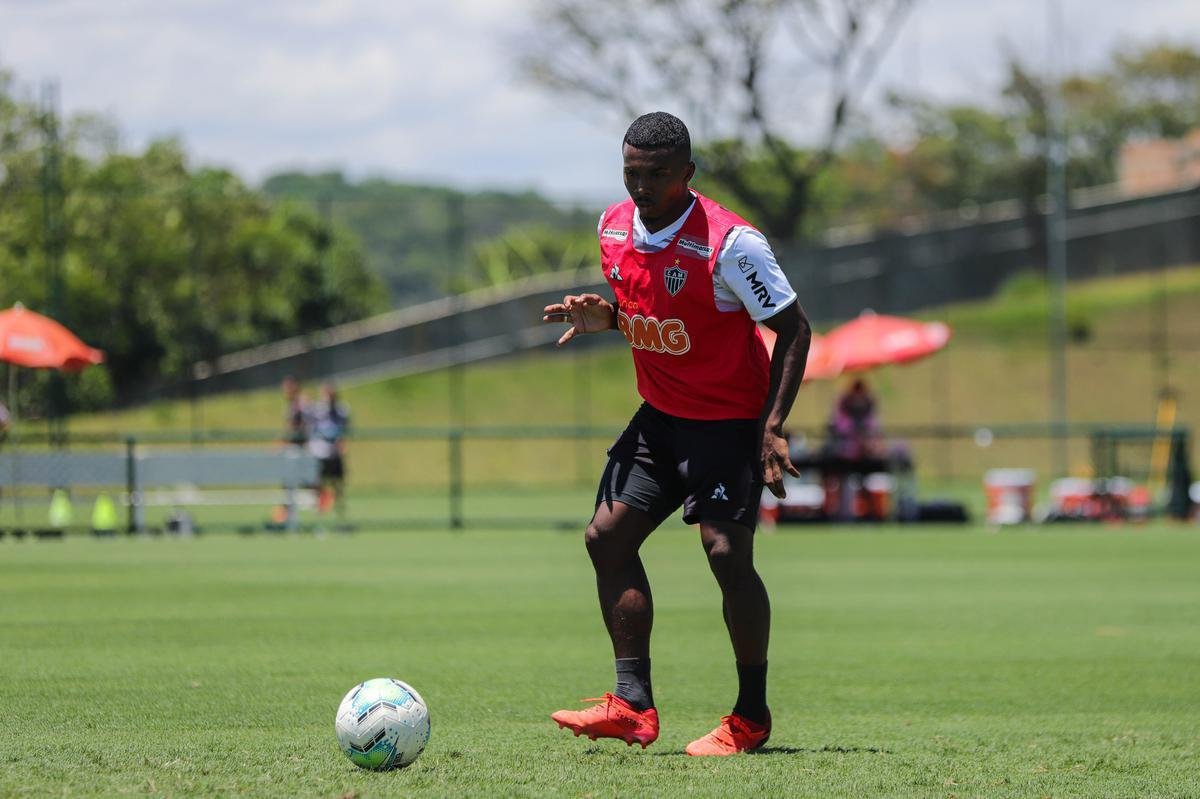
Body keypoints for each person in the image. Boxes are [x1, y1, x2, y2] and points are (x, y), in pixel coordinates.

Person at [543, 112, 811, 756]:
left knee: (725, 554)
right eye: (631, 173)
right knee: (605, 538)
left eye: (657, 175)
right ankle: (633, 704)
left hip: (727, 422)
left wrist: (771, 427)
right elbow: (651, 313)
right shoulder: (611, 226)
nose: (641, 187)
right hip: (661, 417)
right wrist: (605, 319)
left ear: (687, 174)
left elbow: (794, 330)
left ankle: (751, 717)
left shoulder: (730, 243)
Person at [308, 381, 350, 520]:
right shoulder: (316, 409)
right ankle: (319, 513)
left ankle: (340, 515)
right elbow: (311, 429)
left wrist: (342, 443)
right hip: (320, 452)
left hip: (335, 453)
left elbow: (345, 430)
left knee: (338, 484)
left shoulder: (342, 410)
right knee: (318, 482)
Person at [828, 378, 882, 460]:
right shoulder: (843, 408)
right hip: (845, 454)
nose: (858, 398)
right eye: (856, 393)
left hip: (867, 455)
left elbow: (874, 429)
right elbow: (840, 428)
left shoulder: (870, 411)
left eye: (861, 393)